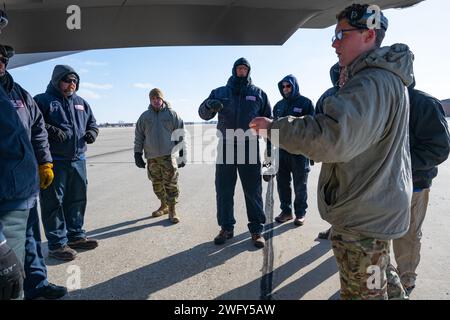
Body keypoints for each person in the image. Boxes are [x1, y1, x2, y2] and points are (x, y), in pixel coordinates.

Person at [250, 4, 413, 299]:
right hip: (373, 210)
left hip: (364, 219)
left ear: (368, 35)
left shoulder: (371, 82)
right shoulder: (382, 79)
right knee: (381, 281)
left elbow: (333, 137)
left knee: (364, 292)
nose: (334, 42)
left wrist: (275, 128)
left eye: (341, 34)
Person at [0, 45, 67, 298]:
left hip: (27, 188)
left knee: (31, 244)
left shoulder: (20, 94)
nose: (0, 63)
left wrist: (45, 163)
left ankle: (37, 286)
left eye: (2, 59)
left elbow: (39, 130)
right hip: (5, 195)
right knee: (8, 262)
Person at [198, 57, 272, 248]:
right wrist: (208, 106)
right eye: (239, 68)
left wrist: (270, 162)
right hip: (227, 144)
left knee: (253, 190)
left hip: (249, 145)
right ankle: (226, 228)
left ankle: (256, 230)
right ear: (234, 70)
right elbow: (203, 114)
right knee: (224, 189)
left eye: (244, 69)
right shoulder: (220, 92)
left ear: (248, 71)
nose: (241, 71)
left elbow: (271, 126)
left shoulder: (258, 94)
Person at [34, 65, 99, 261]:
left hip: (78, 159)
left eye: (75, 81)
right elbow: (33, 123)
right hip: (54, 161)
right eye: (68, 80)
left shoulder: (81, 103)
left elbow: (92, 123)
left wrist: (92, 133)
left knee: (77, 199)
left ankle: (76, 236)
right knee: (53, 202)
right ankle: (56, 244)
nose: (72, 84)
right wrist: (51, 130)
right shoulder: (42, 100)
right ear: (57, 80)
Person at [392, 80, 450, 294]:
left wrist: (399, 164)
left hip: (414, 184)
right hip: (380, 185)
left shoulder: (424, 103)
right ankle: (377, 279)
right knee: (376, 233)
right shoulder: (380, 101)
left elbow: (439, 148)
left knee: (408, 233)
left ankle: (406, 278)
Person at [134, 88, 185, 224]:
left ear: (162, 99)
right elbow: (139, 136)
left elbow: (180, 133)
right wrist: (137, 153)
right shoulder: (145, 116)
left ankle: (172, 210)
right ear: (150, 100)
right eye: (153, 99)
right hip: (152, 157)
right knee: (156, 184)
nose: (156, 101)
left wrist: (181, 152)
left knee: (171, 184)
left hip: (168, 155)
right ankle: (164, 206)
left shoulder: (172, 114)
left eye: (158, 98)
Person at [272, 75, 314, 226]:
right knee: (282, 184)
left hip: (299, 153)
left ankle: (300, 213)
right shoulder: (278, 106)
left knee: (300, 185)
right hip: (282, 151)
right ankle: (286, 212)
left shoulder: (306, 103)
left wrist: (311, 153)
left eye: (288, 86)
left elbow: (312, 129)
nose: (285, 89)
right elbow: (272, 131)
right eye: (283, 87)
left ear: (294, 86)